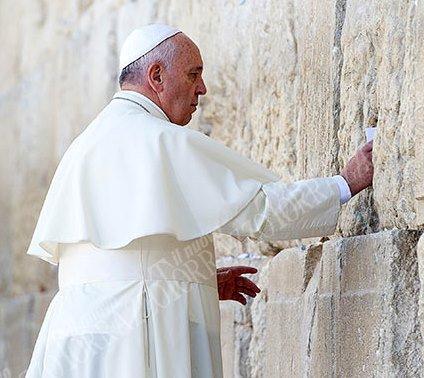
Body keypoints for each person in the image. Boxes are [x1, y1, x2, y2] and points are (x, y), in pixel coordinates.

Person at [25, 24, 373, 377]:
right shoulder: (160, 139)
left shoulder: (85, 143)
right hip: (139, 330)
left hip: (74, 340)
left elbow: (124, 259)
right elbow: (262, 209)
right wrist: (344, 184)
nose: (202, 89)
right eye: (194, 74)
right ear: (157, 76)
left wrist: (194, 277)